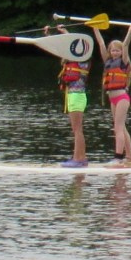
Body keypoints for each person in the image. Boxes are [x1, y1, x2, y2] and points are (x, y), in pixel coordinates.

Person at [93, 22, 131, 164]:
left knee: (117, 128)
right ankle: (130, 157)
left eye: (117, 51)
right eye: (113, 50)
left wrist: (130, 31)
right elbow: (100, 43)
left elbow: (125, 46)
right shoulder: (107, 61)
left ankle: (118, 158)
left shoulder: (124, 62)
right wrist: (95, 28)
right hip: (112, 99)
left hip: (121, 98)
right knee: (121, 127)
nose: (115, 53)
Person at [56, 39, 93, 168]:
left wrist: (66, 35)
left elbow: (75, 44)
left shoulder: (83, 62)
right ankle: (81, 158)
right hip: (73, 96)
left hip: (77, 96)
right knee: (76, 130)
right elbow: (64, 48)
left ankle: (78, 159)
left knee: (77, 130)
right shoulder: (69, 62)